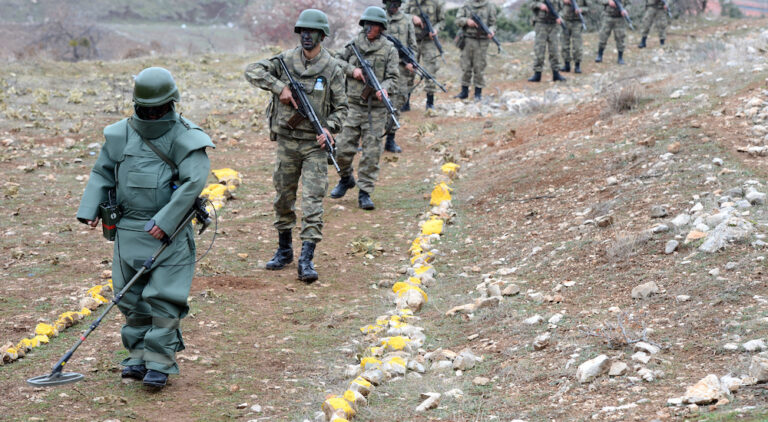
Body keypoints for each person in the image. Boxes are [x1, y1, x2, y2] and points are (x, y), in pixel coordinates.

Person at [76, 67, 214, 389]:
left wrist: (166, 221)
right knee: (130, 298)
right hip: (127, 230)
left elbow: (193, 182)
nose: (152, 114)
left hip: (170, 234)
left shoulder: (186, 137)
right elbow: (102, 172)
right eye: (146, 108)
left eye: (159, 108)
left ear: (171, 104)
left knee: (165, 299)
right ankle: (137, 357)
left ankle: (160, 364)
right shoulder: (120, 134)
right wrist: (90, 209)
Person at [244, 9, 348, 283]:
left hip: (315, 145)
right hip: (288, 142)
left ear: (322, 35)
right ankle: (285, 250)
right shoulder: (285, 61)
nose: (306, 36)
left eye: (311, 32)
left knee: (313, 201)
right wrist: (280, 88)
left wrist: (330, 128)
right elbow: (251, 71)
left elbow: (342, 109)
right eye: (302, 31)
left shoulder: (333, 68)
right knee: (283, 197)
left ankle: (307, 259)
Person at [331, 6, 399, 211]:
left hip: (376, 110)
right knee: (341, 149)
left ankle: (365, 192)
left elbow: (394, 79)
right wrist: (353, 71)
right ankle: (345, 178)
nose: (370, 28)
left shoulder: (389, 50)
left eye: (374, 25)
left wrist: (384, 89)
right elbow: (335, 61)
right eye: (367, 24)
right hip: (352, 105)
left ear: (382, 27)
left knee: (371, 153)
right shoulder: (353, 46)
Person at [383, 0, 416, 153]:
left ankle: (390, 140)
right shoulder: (378, 16)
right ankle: (371, 139)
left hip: (400, 69)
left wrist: (411, 61)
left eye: (397, 3)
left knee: (396, 103)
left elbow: (412, 45)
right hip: (381, 68)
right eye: (391, 3)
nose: (394, 6)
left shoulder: (407, 20)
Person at [405, 0, 446, 110]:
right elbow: (401, 16)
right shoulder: (410, 2)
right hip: (412, 41)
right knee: (409, 70)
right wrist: (411, 17)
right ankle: (405, 102)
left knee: (430, 71)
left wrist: (436, 29)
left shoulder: (437, 3)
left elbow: (442, 21)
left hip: (429, 41)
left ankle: (430, 102)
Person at [454, 0, 497, 101]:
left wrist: (491, 31)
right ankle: (464, 91)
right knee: (466, 66)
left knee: (479, 67)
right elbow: (457, 20)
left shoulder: (489, 6)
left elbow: (493, 24)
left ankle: (478, 93)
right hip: (468, 39)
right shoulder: (466, 4)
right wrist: (467, 21)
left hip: (482, 41)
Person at [528, 0, 566, 83]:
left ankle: (556, 73)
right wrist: (539, 5)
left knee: (554, 49)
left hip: (554, 24)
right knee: (539, 50)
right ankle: (537, 74)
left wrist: (560, 17)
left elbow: (562, 7)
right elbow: (530, 5)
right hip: (541, 23)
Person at [595, 0, 629, 64]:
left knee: (620, 37)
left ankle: (620, 57)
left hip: (620, 18)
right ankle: (599, 55)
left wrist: (625, 10)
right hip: (607, 16)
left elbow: (629, 3)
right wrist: (608, 1)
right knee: (603, 36)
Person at [560, 0, 589, 74]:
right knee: (564, 44)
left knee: (577, 45)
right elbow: (555, 4)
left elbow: (588, 8)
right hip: (565, 20)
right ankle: (566, 65)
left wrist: (581, 10)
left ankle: (577, 65)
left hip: (577, 22)